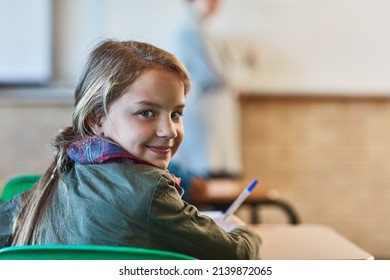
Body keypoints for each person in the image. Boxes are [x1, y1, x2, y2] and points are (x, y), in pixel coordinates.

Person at [0, 39, 261, 259]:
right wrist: (240, 230)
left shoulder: (53, 183)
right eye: (146, 113)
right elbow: (235, 254)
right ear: (97, 119)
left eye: (176, 114)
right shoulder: (151, 192)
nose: (169, 130)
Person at [168, 0, 246, 178]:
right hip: (203, 113)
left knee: (221, 172)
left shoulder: (208, 32)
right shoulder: (188, 31)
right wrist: (245, 66)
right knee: (205, 172)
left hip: (216, 113)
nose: (216, 3)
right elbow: (212, 75)